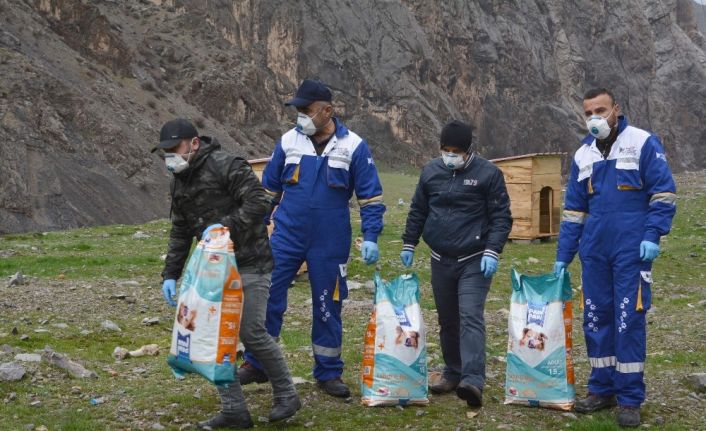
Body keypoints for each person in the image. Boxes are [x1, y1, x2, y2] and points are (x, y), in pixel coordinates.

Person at [238, 79, 386, 398]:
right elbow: (268, 192)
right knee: (267, 296)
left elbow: (371, 197)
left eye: (306, 110)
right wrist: (254, 230)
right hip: (287, 236)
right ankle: (257, 363)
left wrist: (371, 235)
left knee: (327, 304)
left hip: (330, 241)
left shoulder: (354, 146)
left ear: (327, 111)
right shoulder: (288, 142)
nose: (300, 116)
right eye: (298, 110)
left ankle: (328, 372)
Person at [153, 118, 301, 429]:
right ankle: (234, 409)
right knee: (215, 336)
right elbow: (180, 230)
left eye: (175, 148)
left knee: (251, 332)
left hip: (250, 261)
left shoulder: (226, 165)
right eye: (166, 151)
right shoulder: (179, 180)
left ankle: (287, 395)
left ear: (194, 143)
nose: (170, 156)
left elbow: (259, 202)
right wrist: (170, 274)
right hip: (213, 269)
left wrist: (224, 227)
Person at [553, 88, 676, 428]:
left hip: (630, 250)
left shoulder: (642, 143)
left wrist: (652, 235)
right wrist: (563, 256)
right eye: (589, 113)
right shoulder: (583, 155)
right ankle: (601, 389)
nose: (595, 118)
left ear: (616, 109)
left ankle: (630, 398)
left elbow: (663, 193)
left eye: (601, 110)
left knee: (628, 321)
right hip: (594, 252)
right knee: (595, 319)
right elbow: (574, 211)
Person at [399, 120, 512, 407]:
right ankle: (452, 372)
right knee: (447, 319)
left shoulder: (488, 174)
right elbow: (418, 209)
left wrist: (492, 251)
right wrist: (409, 242)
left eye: (456, 151)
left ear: (468, 150)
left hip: (474, 259)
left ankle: (473, 380)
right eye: (446, 150)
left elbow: (501, 216)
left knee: (470, 316)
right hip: (440, 259)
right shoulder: (431, 172)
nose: (451, 155)